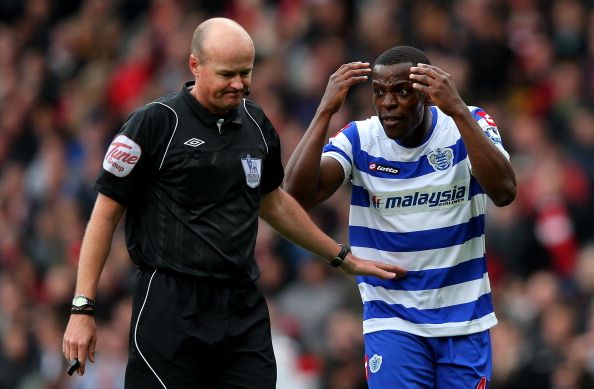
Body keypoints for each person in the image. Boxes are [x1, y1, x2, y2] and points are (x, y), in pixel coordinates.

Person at [61, 17, 407, 389]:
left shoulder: (257, 124)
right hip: (170, 306)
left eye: (246, 73)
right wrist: (83, 308)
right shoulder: (154, 124)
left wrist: (342, 257)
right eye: (228, 74)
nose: (239, 84)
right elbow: (104, 215)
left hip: (240, 305)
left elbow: (273, 203)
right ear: (195, 65)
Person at [284, 46, 517, 388]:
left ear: (426, 94)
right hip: (393, 318)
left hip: (464, 320)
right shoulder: (360, 138)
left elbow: (504, 191)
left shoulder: (468, 123)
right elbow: (297, 194)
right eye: (379, 92)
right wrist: (324, 111)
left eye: (401, 91)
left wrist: (456, 110)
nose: (388, 103)